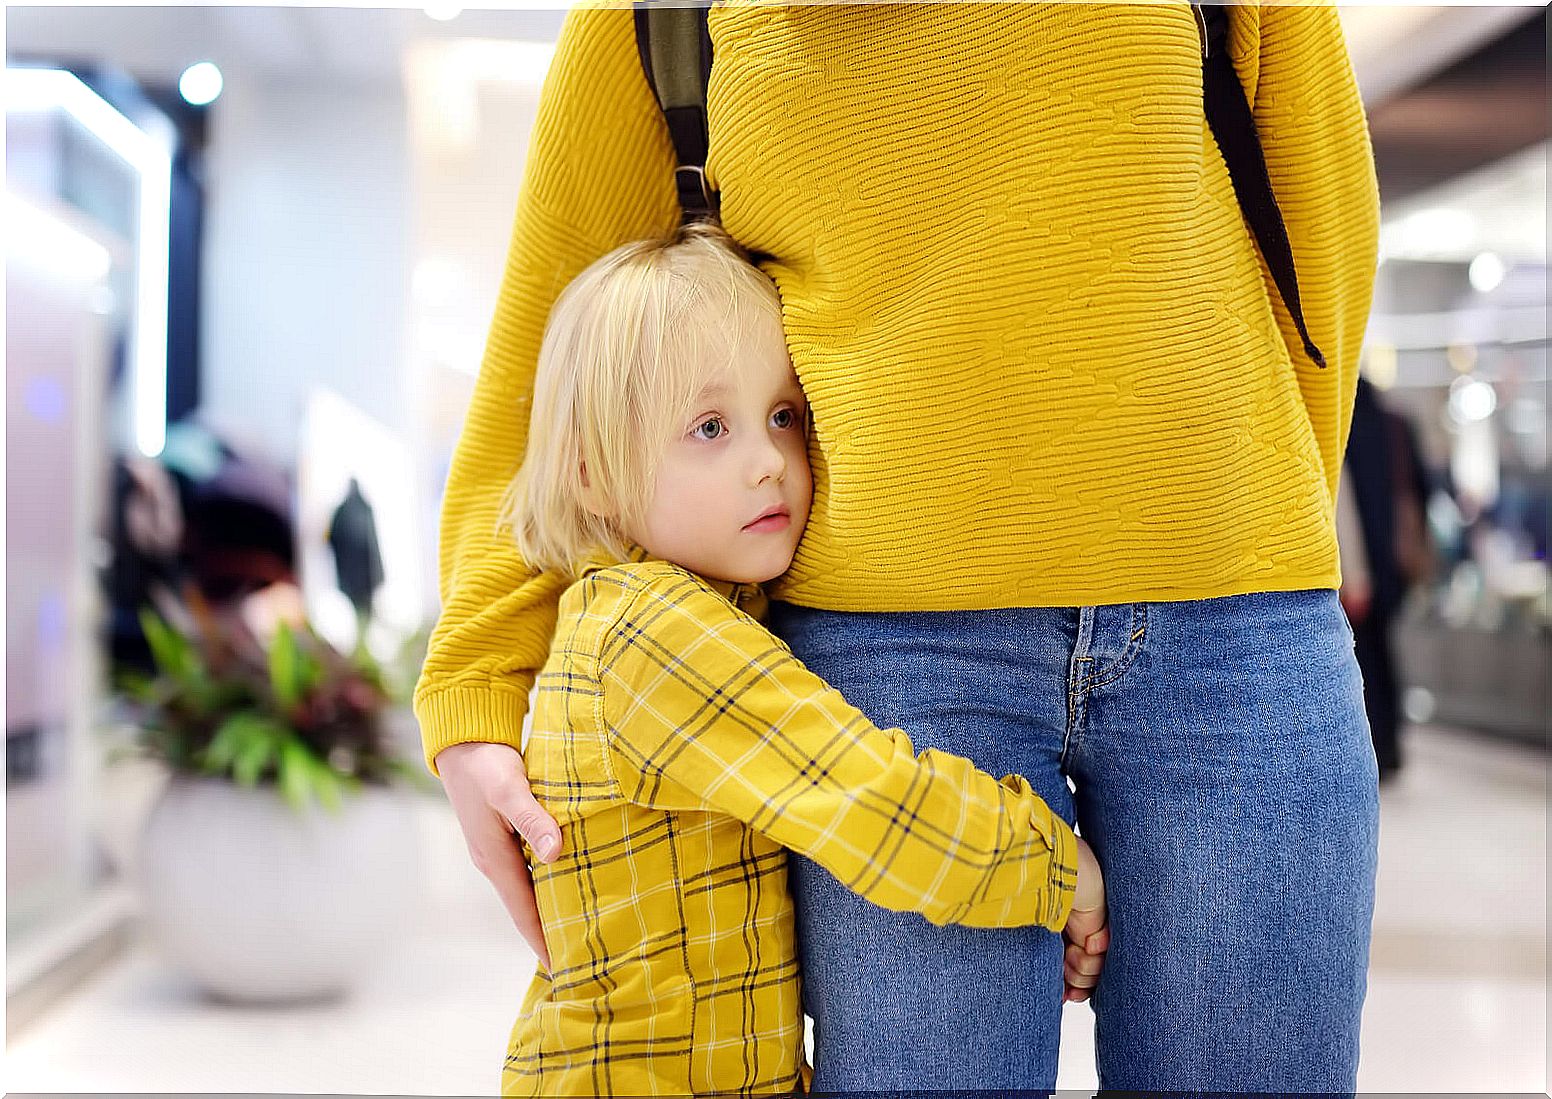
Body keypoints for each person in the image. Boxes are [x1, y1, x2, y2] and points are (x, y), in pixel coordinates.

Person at [417, 4, 1381, 1090]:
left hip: (1235, 623)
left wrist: (1250, 503)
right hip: (887, 654)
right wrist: (476, 676)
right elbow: (565, 331)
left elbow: (1319, 236)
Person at [495, 223, 1108, 1096]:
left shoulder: (657, 616)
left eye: (784, 415)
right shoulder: (657, 634)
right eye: (708, 426)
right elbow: (875, 802)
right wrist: (1059, 868)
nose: (767, 462)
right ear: (594, 477)